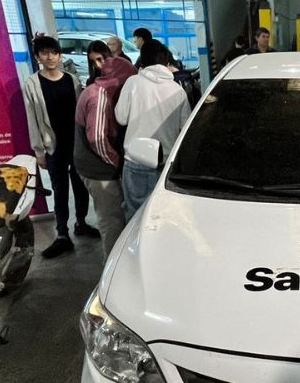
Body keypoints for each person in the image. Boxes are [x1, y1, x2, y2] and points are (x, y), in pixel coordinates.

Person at [22, 35, 98, 259]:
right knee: (60, 189)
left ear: (60, 55)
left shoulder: (71, 80)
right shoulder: (32, 84)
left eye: (54, 52)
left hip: (75, 143)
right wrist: (38, 151)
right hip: (52, 146)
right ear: (37, 57)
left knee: (80, 186)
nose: (50, 57)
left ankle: (81, 222)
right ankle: (62, 233)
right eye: (44, 53)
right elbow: (32, 118)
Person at [114, 47, 190, 222]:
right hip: (166, 165)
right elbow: (185, 128)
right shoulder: (177, 90)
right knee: (164, 219)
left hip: (136, 161)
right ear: (167, 63)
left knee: (136, 220)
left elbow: (121, 118)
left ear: (142, 63)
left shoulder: (133, 83)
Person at [75, 55, 137, 254]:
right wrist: (117, 163)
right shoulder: (98, 97)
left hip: (94, 166)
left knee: (112, 218)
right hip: (98, 170)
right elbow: (97, 139)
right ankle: (112, 266)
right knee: (112, 220)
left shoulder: (97, 90)